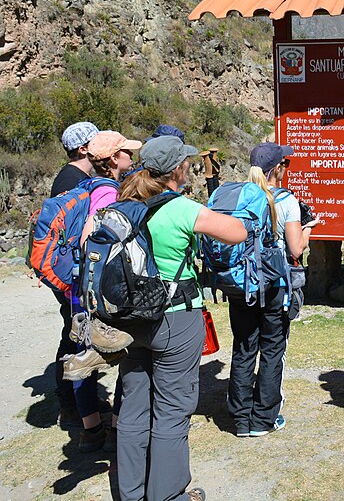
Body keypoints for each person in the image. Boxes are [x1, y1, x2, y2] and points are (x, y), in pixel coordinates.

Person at [115, 135, 246, 501]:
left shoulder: (124, 203)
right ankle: (168, 495)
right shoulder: (182, 209)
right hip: (174, 319)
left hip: (130, 320)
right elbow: (237, 232)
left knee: (134, 408)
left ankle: (131, 492)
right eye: (186, 162)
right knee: (172, 411)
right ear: (177, 169)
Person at [226, 142, 318, 438]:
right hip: (273, 284)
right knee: (272, 350)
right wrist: (308, 229)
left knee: (243, 348)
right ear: (277, 169)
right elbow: (295, 248)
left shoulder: (238, 196)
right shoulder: (286, 200)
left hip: (241, 283)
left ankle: (241, 420)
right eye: (285, 164)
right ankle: (264, 418)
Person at [63, 131, 143, 453]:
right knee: (119, 352)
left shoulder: (85, 187)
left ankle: (90, 432)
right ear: (113, 160)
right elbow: (99, 242)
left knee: (84, 352)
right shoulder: (109, 194)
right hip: (98, 290)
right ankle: (111, 428)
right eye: (126, 152)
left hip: (78, 287)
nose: (131, 157)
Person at [49, 121, 99, 429]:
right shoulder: (72, 180)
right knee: (74, 335)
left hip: (69, 271)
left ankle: (74, 403)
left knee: (74, 332)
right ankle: (70, 405)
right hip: (71, 273)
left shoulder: (73, 177)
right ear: (83, 149)